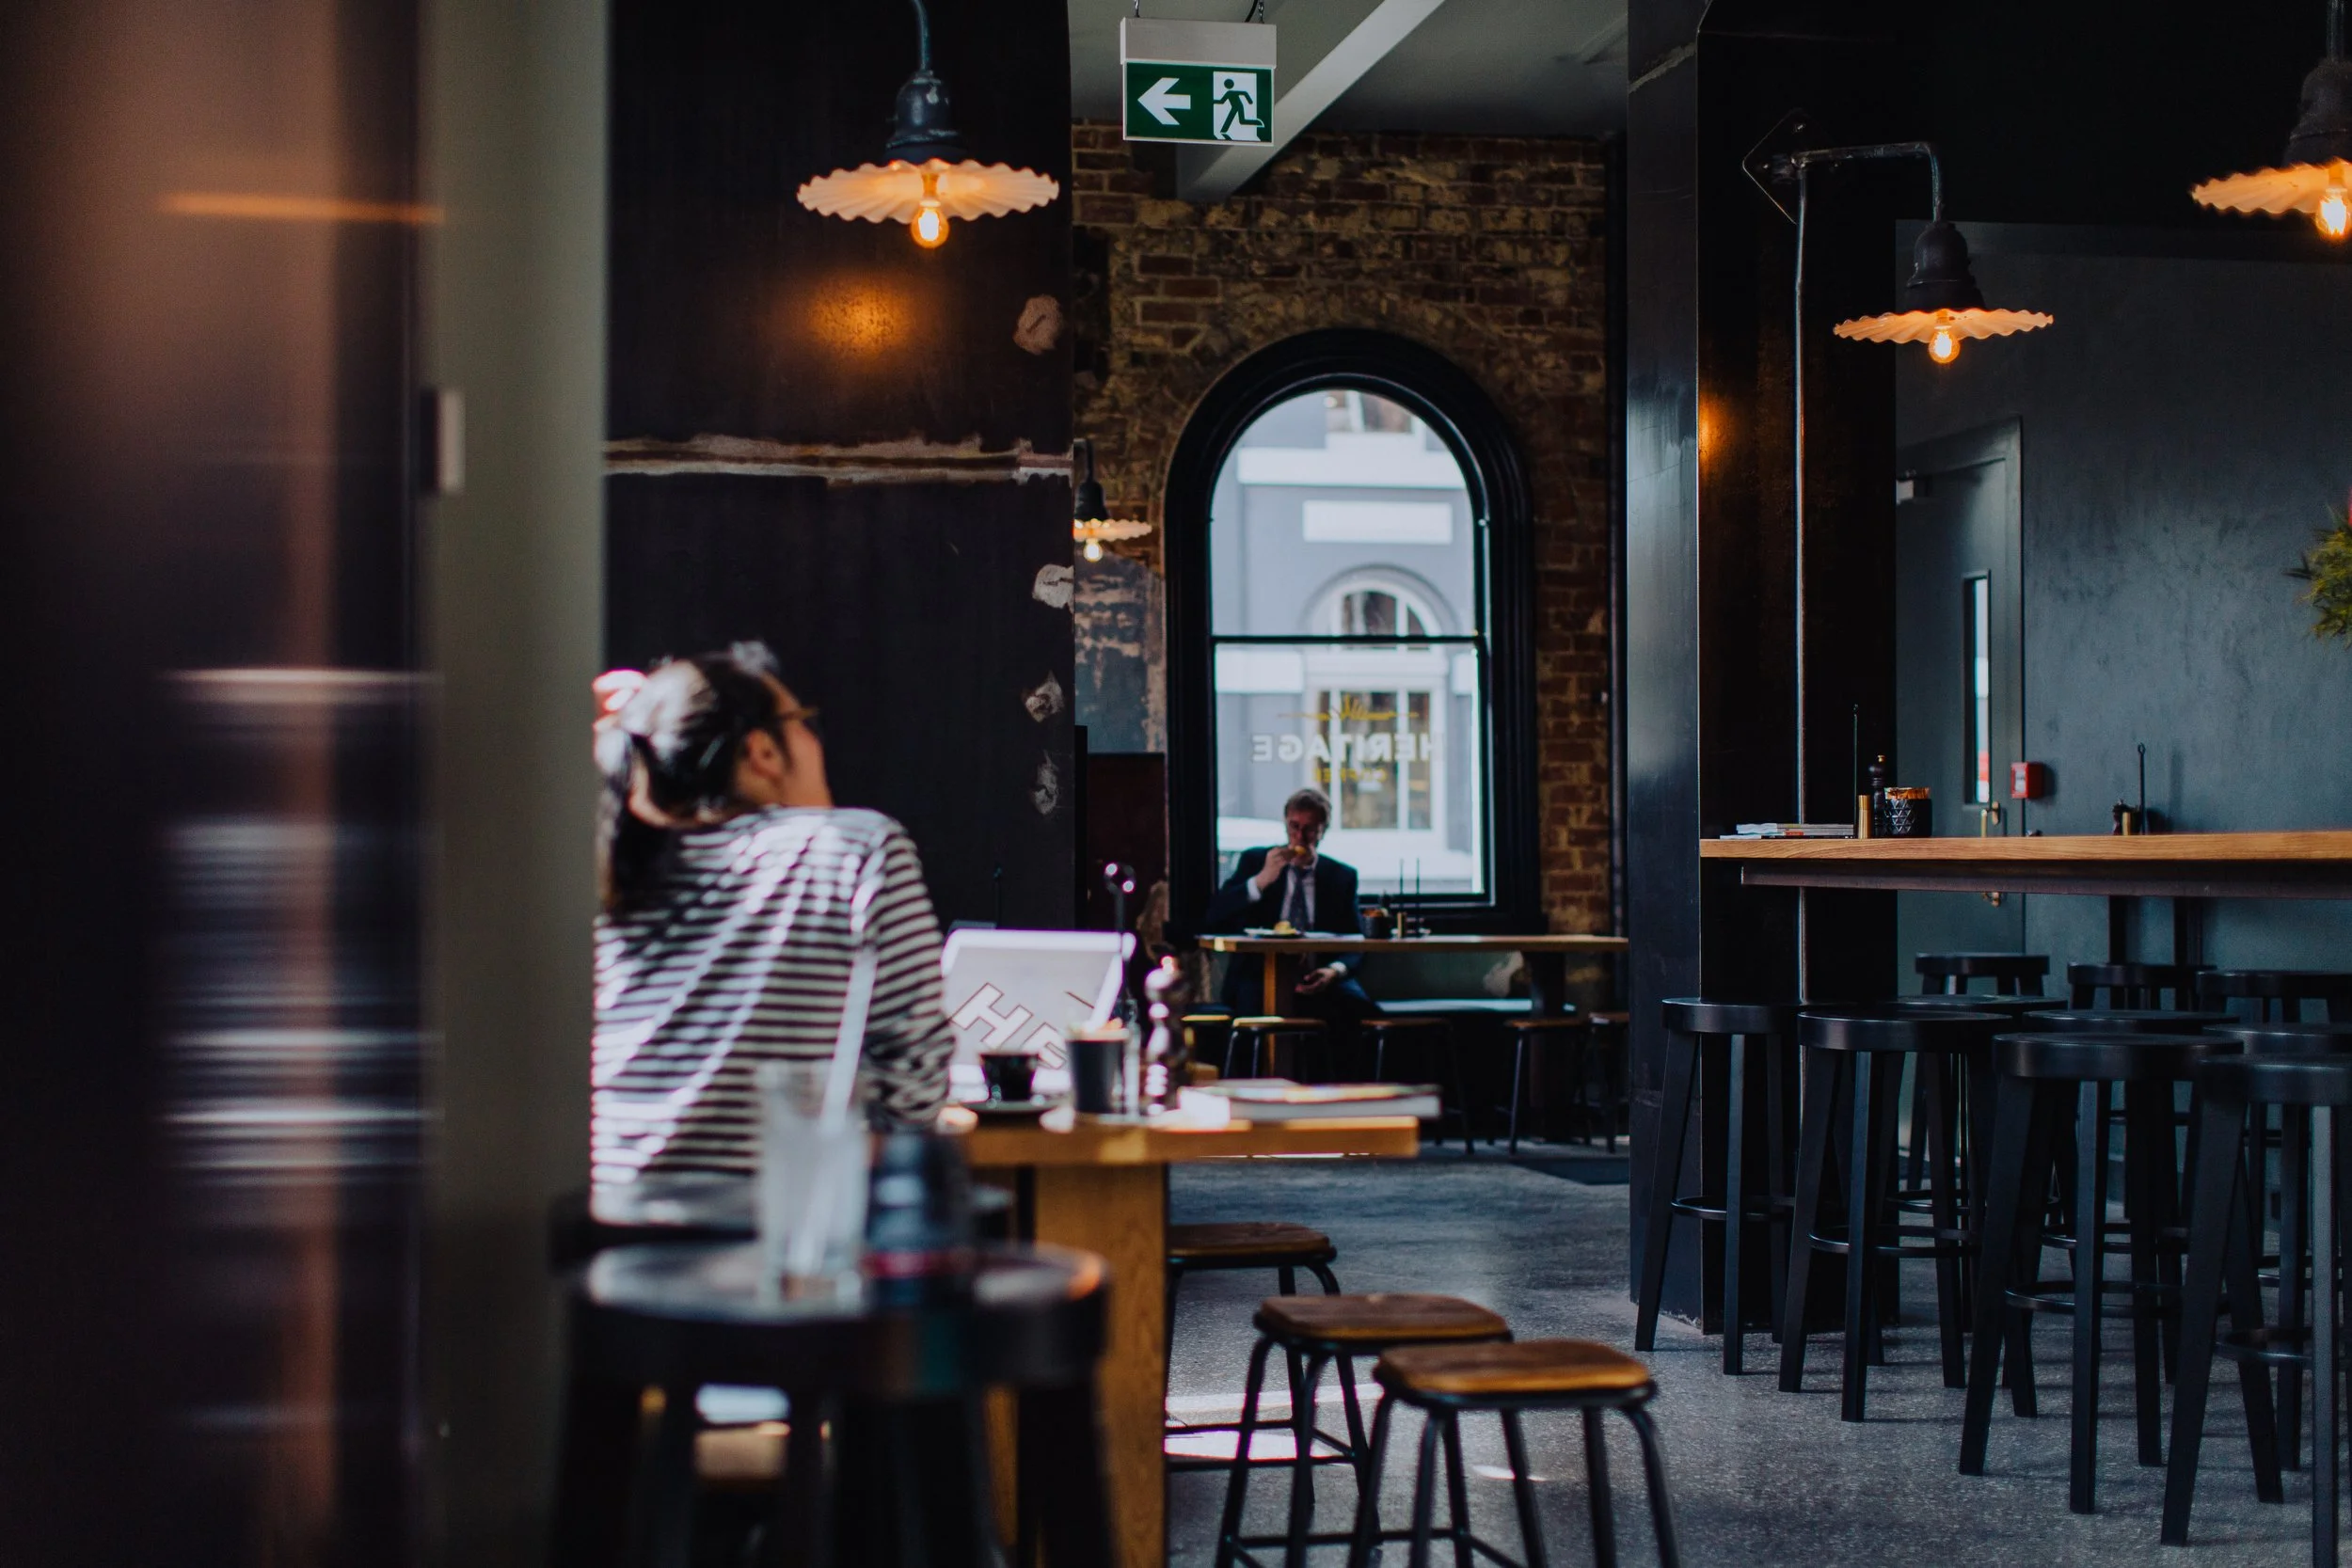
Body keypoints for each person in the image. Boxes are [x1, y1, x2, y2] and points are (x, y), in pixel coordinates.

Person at [590, 641, 954, 1188]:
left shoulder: (607, 859)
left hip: (606, 1221)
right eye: (802, 723)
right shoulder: (853, 847)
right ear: (762, 751)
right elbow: (915, 1086)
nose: (814, 740)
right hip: (770, 1229)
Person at [1200, 786, 1377, 1022]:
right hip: (1260, 975)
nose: (1300, 837)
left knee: (1359, 1011)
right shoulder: (1257, 861)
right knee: (1254, 1012)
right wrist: (1261, 881)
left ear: (1322, 831)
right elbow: (1215, 915)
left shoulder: (1341, 876)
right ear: (1285, 825)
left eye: (1310, 829)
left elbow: (1356, 939)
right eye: (1294, 827)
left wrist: (1333, 971)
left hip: (1320, 973)